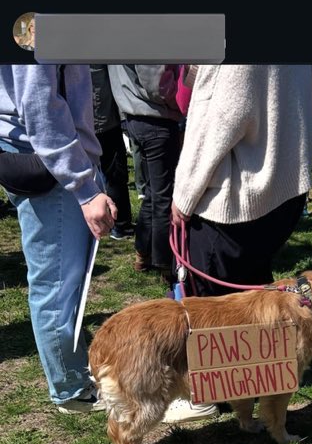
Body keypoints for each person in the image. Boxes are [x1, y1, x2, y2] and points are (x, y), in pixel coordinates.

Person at [166, 64, 312, 423]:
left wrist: (183, 195)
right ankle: (248, 389)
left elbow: (220, 119)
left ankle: (206, 394)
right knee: (251, 300)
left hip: (236, 198)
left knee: (211, 308)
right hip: (281, 184)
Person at [0, 64, 117, 411]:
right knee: (55, 282)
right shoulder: (37, 21)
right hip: (49, 162)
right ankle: (70, 387)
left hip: (49, 157)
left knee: (60, 279)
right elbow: (39, 105)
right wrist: (83, 186)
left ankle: (71, 379)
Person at [108, 65, 183, 279]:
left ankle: (143, 254)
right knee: (163, 196)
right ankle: (165, 263)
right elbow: (158, 84)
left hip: (135, 115)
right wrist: (181, 101)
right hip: (156, 118)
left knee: (153, 193)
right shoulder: (145, 33)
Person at [91, 65, 134, 240]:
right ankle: (120, 225)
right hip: (104, 120)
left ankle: (115, 223)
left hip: (95, 119)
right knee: (115, 173)